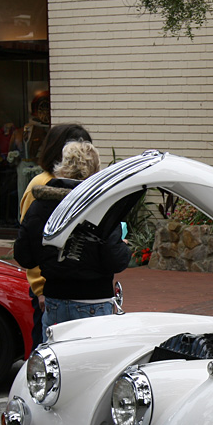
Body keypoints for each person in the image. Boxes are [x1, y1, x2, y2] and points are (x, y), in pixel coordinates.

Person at [14, 140, 130, 329]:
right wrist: (124, 246)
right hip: (94, 301)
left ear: (62, 166)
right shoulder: (101, 207)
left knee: (56, 357)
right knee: (92, 357)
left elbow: (24, 256)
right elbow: (115, 260)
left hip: (55, 300)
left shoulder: (40, 206)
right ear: (95, 169)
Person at [19, 123, 94, 344]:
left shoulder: (83, 185)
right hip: (50, 292)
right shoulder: (42, 185)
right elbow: (30, 241)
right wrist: (40, 288)